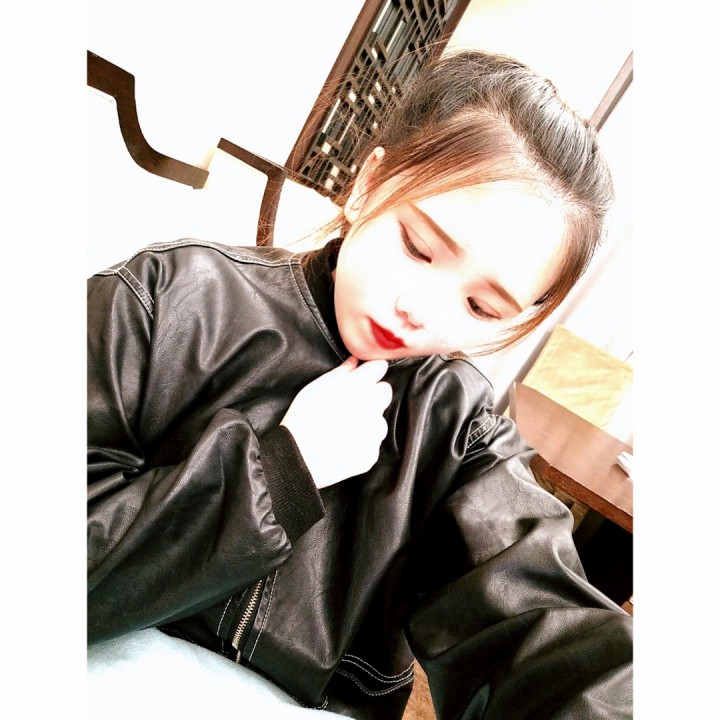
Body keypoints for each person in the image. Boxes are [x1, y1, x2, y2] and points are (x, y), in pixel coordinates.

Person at [87, 50, 632, 718]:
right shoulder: (170, 300)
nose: (419, 311)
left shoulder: (457, 428)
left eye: (481, 307)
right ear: (369, 183)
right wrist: (282, 473)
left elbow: (544, 625)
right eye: (418, 247)